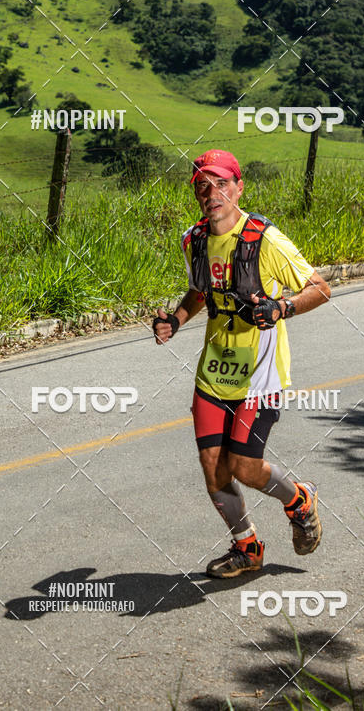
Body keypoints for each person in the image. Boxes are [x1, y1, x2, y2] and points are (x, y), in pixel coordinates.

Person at [153, 149, 331, 578]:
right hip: (214, 371)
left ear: (238, 187)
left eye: (219, 183)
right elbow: (202, 291)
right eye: (201, 184)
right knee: (214, 466)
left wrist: (280, 308)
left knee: (245, 468)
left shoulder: (265, 239)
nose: (210, 192)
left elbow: (320, 289)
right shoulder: (193, 239)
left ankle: (299, 500)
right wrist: (175, 320)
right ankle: (247, 547)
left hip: (261, 376)